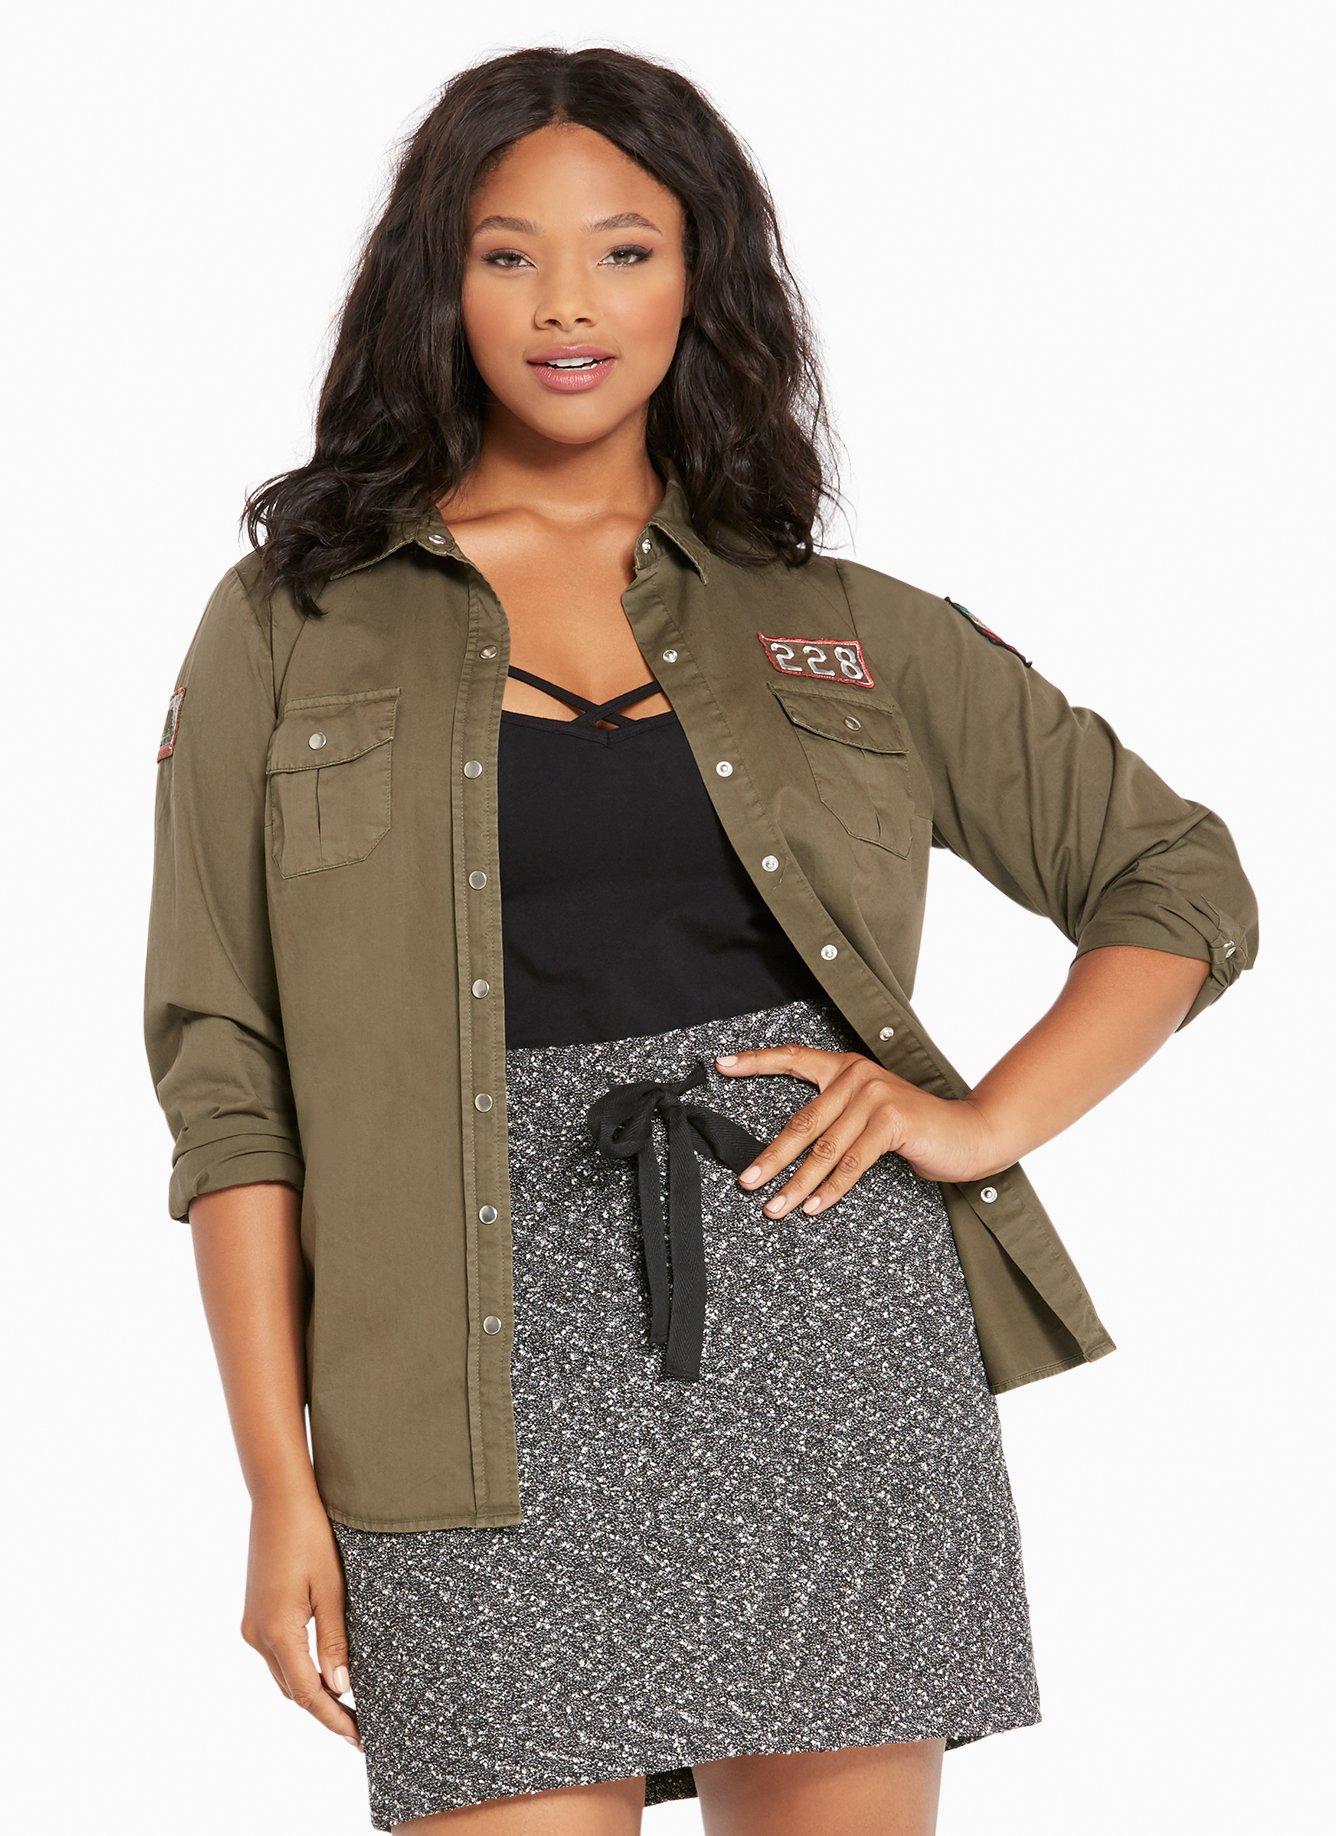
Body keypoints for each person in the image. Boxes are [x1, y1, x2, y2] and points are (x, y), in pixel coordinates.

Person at [143, 44, 1259, 1836]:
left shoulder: (842, 623)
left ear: (700, 277)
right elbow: (228, 1076)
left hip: (827, 1350)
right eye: (507, 253)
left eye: (625, 250)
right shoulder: (294, 624)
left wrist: (975, 1119)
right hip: (452, 1390)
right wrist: (281, 1485)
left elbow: (1177, 882)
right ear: (436, 282)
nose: (565, 304)